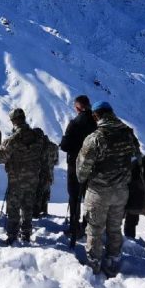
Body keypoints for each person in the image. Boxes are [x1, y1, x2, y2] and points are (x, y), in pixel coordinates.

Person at [76, 101, 141, 276]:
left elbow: (82, 170)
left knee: (95, 229)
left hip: (99, 191)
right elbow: (137, 155)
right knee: (114, 227)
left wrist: (84, 179)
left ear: (96, 116)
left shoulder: (96, 138)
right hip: (121, 191)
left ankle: (94, 264)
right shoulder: (128, 133)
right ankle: (113, 259)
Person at [0, 108, 44, 244]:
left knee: (13, 206)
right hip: (33, 177)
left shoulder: (12, 139)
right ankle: (26, 234)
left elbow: (1, 158)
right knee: (28, 206)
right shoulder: (37, 136)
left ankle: (12, 235)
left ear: (13, 121)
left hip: (16, 178)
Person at [59, 95, 96, 246]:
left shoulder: (74, 123)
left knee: (74, 197)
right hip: (94, 167)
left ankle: (74, 228)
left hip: (75, 165)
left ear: (77, 107)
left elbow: (65, 146)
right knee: (90, 198)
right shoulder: (97, 122)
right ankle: (87, 226)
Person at [33, 127, 59, 218]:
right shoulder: (54, 146)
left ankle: (35, 213)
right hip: (49, 174)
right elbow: (56, 161)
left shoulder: (37, 146)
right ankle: (44, 211)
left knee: (37, 193)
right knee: (46, 192)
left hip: (39, 174)